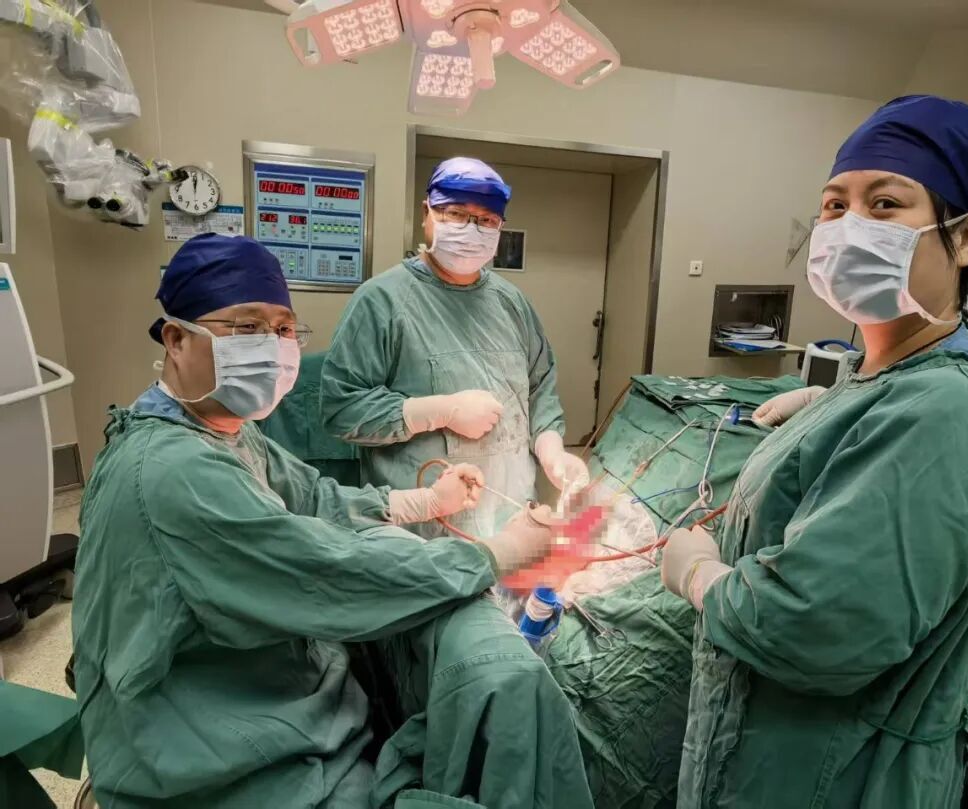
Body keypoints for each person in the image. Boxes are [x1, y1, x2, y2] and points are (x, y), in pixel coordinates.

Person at [71, 234, 592, 809]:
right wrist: (492, 555)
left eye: (284, 329)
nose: (274, 346)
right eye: (248, 327)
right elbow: (326, 570)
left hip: (248, 683)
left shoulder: (222, 432)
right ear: (176, 339)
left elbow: (314, 498)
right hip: (199, 750)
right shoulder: (174, 471)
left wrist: (423, 503)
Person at [661, 95, 968, 808]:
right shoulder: (894, 377)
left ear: (965, 237)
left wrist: (700, 575)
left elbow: (816, 627)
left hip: (836, 777)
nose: (849, 226)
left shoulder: (939, 411)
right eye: (834, 206)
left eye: (885, 204)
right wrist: (834, 400)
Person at [321, 157, 587, 539]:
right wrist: (435, 411)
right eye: (457, 214)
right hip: (425, 530)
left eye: (486, 220)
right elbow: (341, 408)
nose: (471, 230)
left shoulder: (512, 304)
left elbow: (540, 389)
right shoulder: (382, 301)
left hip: (511, 520)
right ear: (426, 213)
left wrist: (552, 451)